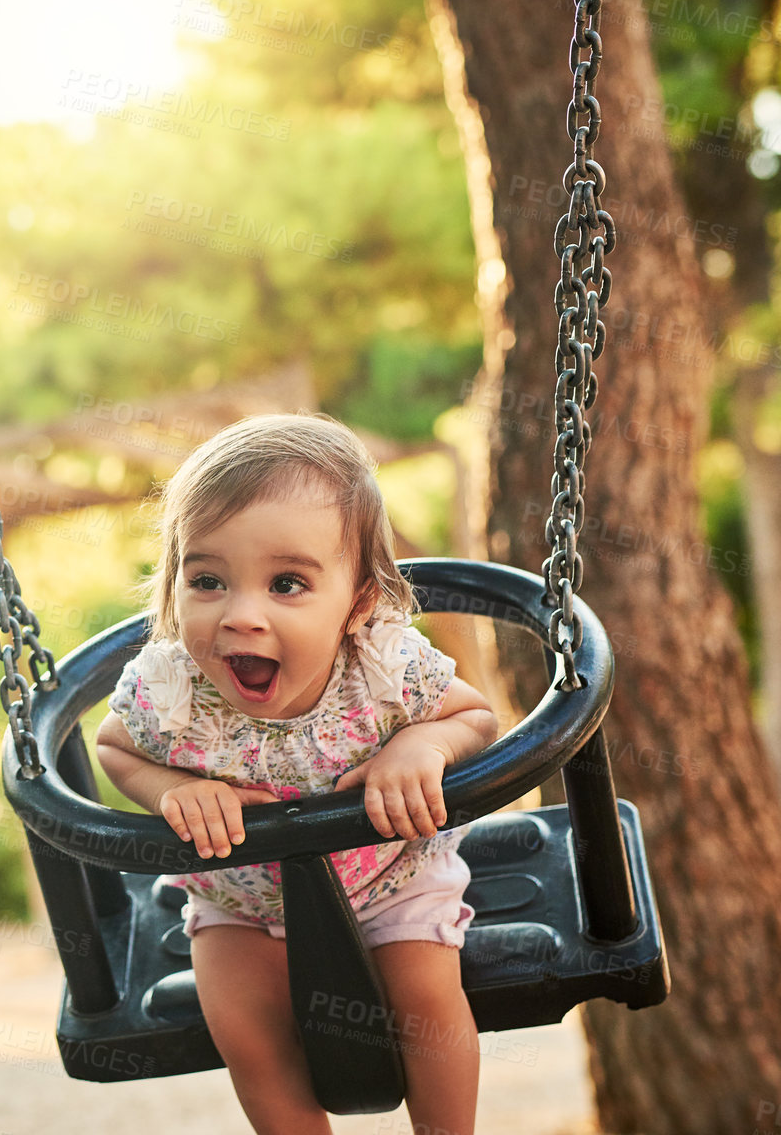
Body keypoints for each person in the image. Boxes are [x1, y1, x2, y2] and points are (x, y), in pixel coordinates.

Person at [95, 412, 497, 1135]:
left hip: (387, 877)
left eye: (286, 584)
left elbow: (476, 718)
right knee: (244, 1031)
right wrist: (174, 790)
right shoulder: (171, 689)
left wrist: (421, 748)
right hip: (239, 898)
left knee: (426, 1003)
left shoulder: (384, 669)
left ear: (359, 602)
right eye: (208, 579)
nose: (240, 615)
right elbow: (115, 747)